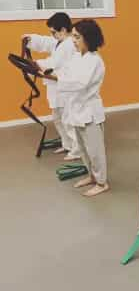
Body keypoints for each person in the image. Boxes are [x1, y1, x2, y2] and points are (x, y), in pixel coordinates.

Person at [42, 19, 108, 196]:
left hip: (89, 111)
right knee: (83, 148)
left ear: (89, 38)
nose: (74, 40)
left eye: (77, 37)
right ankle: (92, 176)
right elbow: (66, 72)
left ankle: (102, 182)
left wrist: (57, 79)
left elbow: (80, 83)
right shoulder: (78, 57)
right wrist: (50, 72)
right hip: (76, 110)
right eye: (73, 36)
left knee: (95, 151)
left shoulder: (94, 61)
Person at [22, 12, 80, 160]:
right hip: (56, 86)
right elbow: (47, 42)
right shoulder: (59, 41)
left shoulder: (69, 44)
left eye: (54, 32)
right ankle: (67, 144)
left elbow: (54, 63)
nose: (52, 35)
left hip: (65, 86)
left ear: (63, 30)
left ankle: (77, 150)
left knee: (68, 119)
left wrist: (35, 65)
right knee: (58, 118)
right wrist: (31, 39)